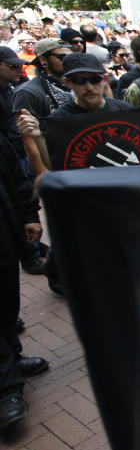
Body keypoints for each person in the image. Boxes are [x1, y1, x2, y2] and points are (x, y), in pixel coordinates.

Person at [0, 134, 48, 429]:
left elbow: (14, 176)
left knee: (7, 303)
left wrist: (30, 215)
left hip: (4, 236)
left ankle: (12, 357)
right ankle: (7, 389)